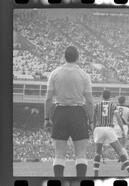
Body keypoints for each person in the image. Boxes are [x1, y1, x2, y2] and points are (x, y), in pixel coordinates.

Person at [44, 46, 94, 177]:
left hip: (60, 112)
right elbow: (89, 101)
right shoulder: (84, 75)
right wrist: (92, 120)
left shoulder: (55, 73)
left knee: (59, 154)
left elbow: (48, 99)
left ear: (64, 56)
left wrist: (46, 118)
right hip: (78, 112)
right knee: (81, 154)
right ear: (78, 57)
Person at [92, 90, 129, 177]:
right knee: (120, 151)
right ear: (110, 97)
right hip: (109, 128)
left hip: (98, 128)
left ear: (102, 96)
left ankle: (96, 174)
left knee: (97, 153)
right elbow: (118, 118)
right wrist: (122, 129)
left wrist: (93, 130)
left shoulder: (97, 105)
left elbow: (93, 119)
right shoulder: (113, 105)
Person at [114, 96, 129, 162]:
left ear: (118, 101)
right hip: (123, 127)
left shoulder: (114, 108)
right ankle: (128, 160)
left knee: (117, 145)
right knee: (123, 145)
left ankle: (121, 156)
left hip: (115, 126)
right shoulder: (128, 109)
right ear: (125, 101)